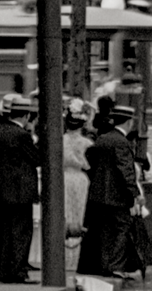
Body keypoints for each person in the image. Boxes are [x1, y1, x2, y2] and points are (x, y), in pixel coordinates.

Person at [79, 104, 143, 279]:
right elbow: (126, 171)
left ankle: (105, 265)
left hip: (98, 195)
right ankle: (115, 265)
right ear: (129, 122)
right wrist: (135, 193)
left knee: (104, 231)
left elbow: (90, 162)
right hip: (117, 195)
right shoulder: (122, 142)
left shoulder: (102, 139)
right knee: (121, 229)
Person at [0, 94, 39, 283]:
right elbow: (36, 158)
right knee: (20, 233)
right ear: (25, 117)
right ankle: (17, 271)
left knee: (1, 231)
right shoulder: (22, 135)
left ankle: (1, 271)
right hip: (20, 191)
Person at [61, 98, 92, 276]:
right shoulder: (86, 144)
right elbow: (88, 165)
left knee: (65, 213)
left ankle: (64, 256)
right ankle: (78, 256)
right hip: (80, 179)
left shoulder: (60, 141)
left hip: (63, 178)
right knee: (80, 214)